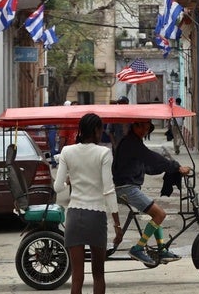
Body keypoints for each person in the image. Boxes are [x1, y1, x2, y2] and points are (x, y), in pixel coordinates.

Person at [54, 113, 122, 294]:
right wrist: (117, 224)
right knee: (98, 274)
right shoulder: (104, 153)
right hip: (96, 216)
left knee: (77, 276)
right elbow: (108, 190)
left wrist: (71, 180)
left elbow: (57, 187)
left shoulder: (67, 152)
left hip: (74, 216)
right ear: (96, 130)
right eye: (101, 129)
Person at [112, 120, 190, 266]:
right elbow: (151, 157)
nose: (144, 131)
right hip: (126, 188)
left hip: (129, 186)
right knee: (159, 214)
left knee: (157, 215)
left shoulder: (134, 143)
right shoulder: (131, 143)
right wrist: (176, 167)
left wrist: (167, 169)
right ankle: (138, 248)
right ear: (133, 126)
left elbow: (147, 166)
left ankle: (161, 249)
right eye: (140, 127)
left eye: (147, 129)